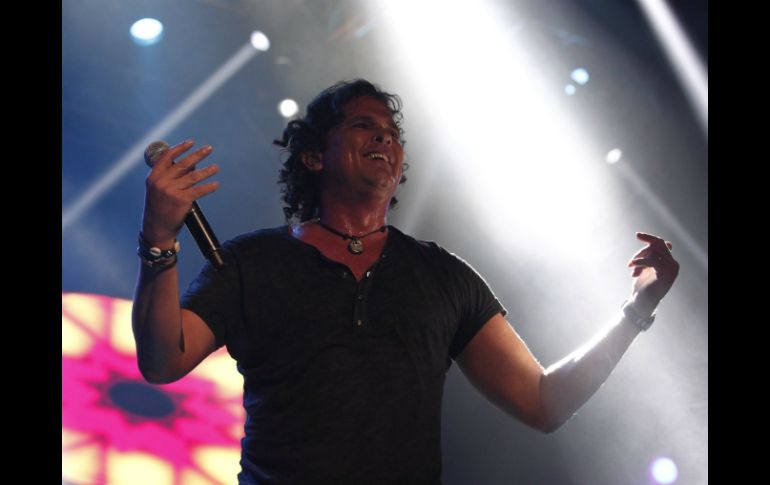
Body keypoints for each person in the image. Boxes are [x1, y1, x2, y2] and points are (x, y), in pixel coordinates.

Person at [132, 79, 679, 484]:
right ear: (314, 156)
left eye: (393, 133)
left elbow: (543, 402)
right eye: (362, 125)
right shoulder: (252, 261)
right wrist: (159, 239)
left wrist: (636, 310)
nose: (384, 136)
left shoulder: (443, 276)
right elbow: (162, 361)